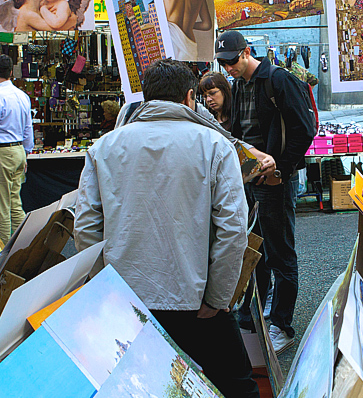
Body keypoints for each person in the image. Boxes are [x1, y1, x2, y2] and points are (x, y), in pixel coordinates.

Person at [74, 59, 259, 398]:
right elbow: (233, 231)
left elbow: (86, 227)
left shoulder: (104, 147)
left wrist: (106, 287)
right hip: (196, 299)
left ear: (146, 98)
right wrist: (217, 297)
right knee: (235, 385)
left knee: (135, 385)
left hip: (127, 296)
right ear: (191, 97)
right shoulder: (216, 146)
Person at [216, 30, 316, 352]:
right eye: (223, 64)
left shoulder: (278, 79)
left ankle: (282, 325)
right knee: (253, 247)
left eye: (231, 61)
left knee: (280, 252)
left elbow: (305, 129)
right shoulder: (239, 85)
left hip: (274, 181)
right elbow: (237, 133)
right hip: (248, 181)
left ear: (246, 52)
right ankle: (253, 313)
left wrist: (282, 170)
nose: (228, 68)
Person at [0, 55, 34, 241]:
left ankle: (4, 253)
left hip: (2, 152)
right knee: (14, 203)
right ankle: (24, 244)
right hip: (19, 150)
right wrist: (26, 153)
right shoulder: (22, 96)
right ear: (11, 72)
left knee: (2, 208)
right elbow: (28, 128)